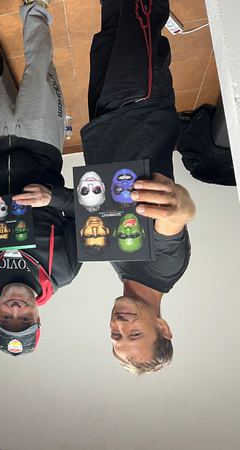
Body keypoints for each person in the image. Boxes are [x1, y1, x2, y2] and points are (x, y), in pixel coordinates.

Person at [0, 0, 81, 356]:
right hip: (42, 145)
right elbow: (89, 212)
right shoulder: (63, 271)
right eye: (24, 319)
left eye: (6, 319)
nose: (15, 310)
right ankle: (35, 7)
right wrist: (52, 197)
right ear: (37, 317)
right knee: (39, 64)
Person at [81, 0, 196, 374]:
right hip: (139, 105)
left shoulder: (122, 270)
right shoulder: (164, 268)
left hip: (106, 119)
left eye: (116, 336)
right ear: (164, 328)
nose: (120, 325)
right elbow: (174, 220)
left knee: (114, 17)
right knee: (140, 9)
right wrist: (179, 205)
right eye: (134, 334)